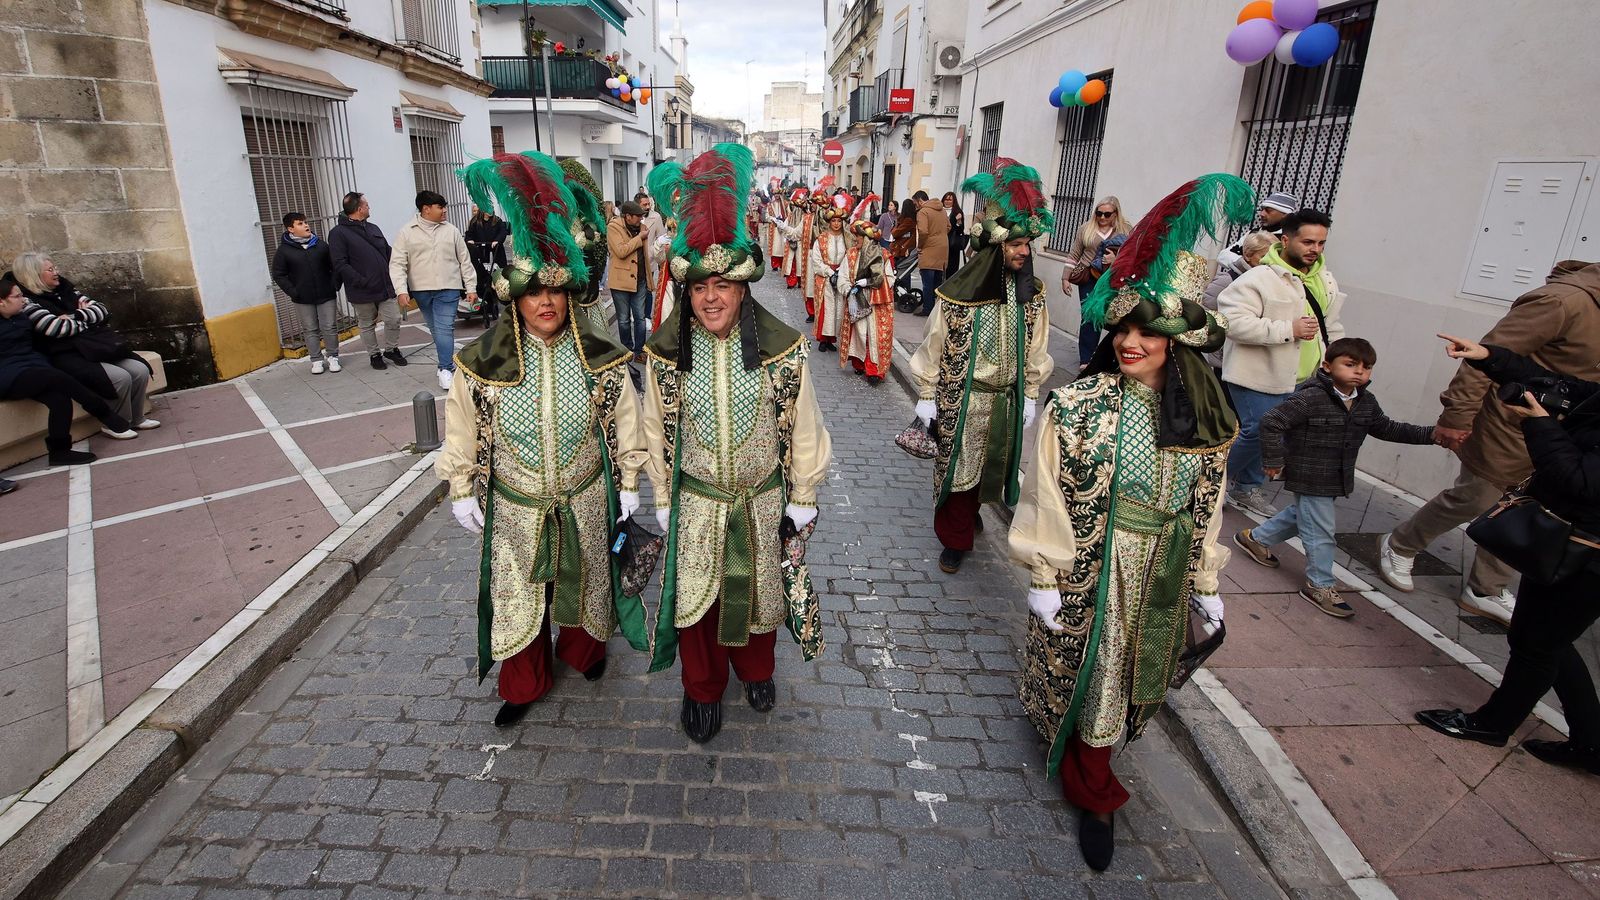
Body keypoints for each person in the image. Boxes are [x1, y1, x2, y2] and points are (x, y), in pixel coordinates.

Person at [1010, 174, 1251, 872]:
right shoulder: (1079, 405)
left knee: (1135, 676)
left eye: (1148, 333)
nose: (1131, 343)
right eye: (1123, 329)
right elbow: (1046, 493)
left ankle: (1096, 764)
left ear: (1177, 341)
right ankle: (1095, 791)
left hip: (1165, 567)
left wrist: (1206, 577)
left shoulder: (1206, 415)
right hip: (1100, 559)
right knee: (1100, 673)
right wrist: (1046, 570)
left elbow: (1208, 500)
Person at [441, 151, 649, 728]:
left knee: (587, 580)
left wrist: (629, 479)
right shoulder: (482, 361)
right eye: (534, 295)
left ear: (568, 295)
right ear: (516, 298)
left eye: (555, 294)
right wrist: (461, 485)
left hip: (584, 490)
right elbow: (461, 422)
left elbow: (625, 417)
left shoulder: (599, 353)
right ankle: (524, 681)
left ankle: (584, 653)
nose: (546, 304)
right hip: (516, 500)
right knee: (519, 594)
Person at [640, 142, 832, 745]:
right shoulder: (664, 356)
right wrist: (661, 496)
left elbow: (805, 425)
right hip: (696, 496)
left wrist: (803, 492)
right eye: (701, 287)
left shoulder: (784, 349)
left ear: (744, 288)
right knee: (697, 601)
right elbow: (652, 427)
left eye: (724, 285)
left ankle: (757, 671)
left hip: (761, 496)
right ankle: (702, 689)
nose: (712, 297)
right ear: (686, 291)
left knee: (759, 593)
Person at [1416, 333, 1600, 774]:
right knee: (1548, 641)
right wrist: (1489, 358)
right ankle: (1592, 744)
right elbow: (1561, 386)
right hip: (1570, 544)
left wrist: (1539, 423)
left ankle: (1493, 724)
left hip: (1585, 555)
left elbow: (1582, 482)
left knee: (1536, 644)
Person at [1378, 259, 1600, 625]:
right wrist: (1456, 415)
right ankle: (1399, 544)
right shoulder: (1562, 302)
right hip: (1508, 422)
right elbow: (1484, 356)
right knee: (1477, 495)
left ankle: (1486, 588)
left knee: (1531, 507)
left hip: (1559, 432)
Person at [911, 159, 1054, 574]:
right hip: (965, 397)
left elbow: (1038, 348)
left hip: (1005, 400)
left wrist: (1030, 393)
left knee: (992, 468)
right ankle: (953, 539)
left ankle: (970, 516)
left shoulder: (1034, 296)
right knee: (958, 469)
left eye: (1027, 246)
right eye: (1016, 245)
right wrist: (925, 394)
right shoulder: (960, 295)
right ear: (997, 247)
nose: (1024, 253)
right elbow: (934, 344)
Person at [1234, 338, 1437, 617]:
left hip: (1336, 476)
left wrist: (1433, 435)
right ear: (1328, 366)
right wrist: (1273, 459)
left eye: (1366, 368)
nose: (1358, 372)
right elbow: (1272, 420)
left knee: (1302, 515)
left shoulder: (1365, 402)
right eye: (1350, 365)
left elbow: (1388, 428)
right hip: (1308, 473)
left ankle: (1255, 538)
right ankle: (1320, 585)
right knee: (1321, 532)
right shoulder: (1311, 397)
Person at [1218, 208, 1344, 518]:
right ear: (1286, 240)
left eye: (1321, 243)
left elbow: (1331, 325)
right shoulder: (1259, 277)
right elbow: (1231, 322)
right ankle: (1210, 485)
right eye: (1307, 242)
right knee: (1259, 431)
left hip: (1303, 378)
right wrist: (1289, 330)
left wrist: (1338, 358)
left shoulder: (1324, 280)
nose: (1314, 249)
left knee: (1277, 436)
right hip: (1256, 375)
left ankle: (1247, 488)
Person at [9, 252, 156, 432]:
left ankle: (136, 418)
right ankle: (118, 423)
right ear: (34, 275)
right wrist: (88, 320)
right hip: (65, 354)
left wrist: (74, 316)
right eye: (50, 269)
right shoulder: (26, 301)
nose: (56, 272)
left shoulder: (66, 290)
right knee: (120, 377)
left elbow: (102, 311)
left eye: (55, 268)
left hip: (93, 346)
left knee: (139, 369)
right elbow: (54, 328)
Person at [0, 275, 135, 465]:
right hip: (8, 377)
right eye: (17, 297)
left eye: (22, 295)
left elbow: (54, 329)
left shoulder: (23, 317)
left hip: (33, 368)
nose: (23, 300)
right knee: (55, 377)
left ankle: (59, 452)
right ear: (1, 302)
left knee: (60, 399)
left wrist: (77, 315)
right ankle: (104, 413)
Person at [390, 190, 476, 391]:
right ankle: (445, 366)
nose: (445, 210)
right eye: (440, 207)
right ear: (426, 209)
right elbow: (397, 263)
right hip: (422, 290)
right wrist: (401, 290)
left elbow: (465, 260)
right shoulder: (406, 232)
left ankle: (445, 368)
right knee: (437, 330)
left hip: (449, 288)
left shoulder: (451, 231)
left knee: (445, 328)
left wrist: (471, 287)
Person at [329, 192, 407, 370]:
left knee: (393, 318)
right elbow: (340, 263)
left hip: (385, 286)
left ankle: (391, 349)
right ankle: (374, 355)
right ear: (359, 209)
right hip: (361, 289)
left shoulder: (373, 228)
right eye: (367, 205)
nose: (369, 208)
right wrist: (361, 280)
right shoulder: (338, 233)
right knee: (366, 324)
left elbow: (388, 252)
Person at [1061, 197, 1133, 370]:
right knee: (1090, 317)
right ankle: (1086, 359)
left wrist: (1116, 260)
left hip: (1112, 280)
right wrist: (1065, 278)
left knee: (1114, 317)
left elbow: (1132, 256)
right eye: (1099, 213)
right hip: (1089, 278)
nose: (1102, 217)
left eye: (1107, 214)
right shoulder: (1086, 229)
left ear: (1116, 214)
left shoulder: (1126, 230)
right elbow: (1074, 254)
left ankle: (1111, 356)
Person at [271, 212, 342, 374]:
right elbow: (279, 274)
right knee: (310, 329)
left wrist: (334, 285)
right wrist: (293, 291)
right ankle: (316, 360)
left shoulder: (321, 245)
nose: (306, 226)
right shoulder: (284, 251)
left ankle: (333, 356)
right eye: (300, 224)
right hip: (302, 298)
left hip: (326, 294)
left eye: (305, 222)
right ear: (291, 229)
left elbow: (335, 267)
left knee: (329, 326)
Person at [1201, 230, 1275, 370]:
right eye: (1264, 256)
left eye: (1274, 257)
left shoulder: (1267, 281)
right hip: (1226, 359)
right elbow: (1208, 312)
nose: (1269, 262)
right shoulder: (1227, 280)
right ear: (1248, 255)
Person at [838, 197, 894, 383]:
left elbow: (890, 279)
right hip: (857, 300)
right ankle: (859, 364)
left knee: (875, 337)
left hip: (877, 304)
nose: (856, 240)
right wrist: (850, 289)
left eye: (859, 237)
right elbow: (843, 277)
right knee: (860, 335)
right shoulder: (851, 254)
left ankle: (874, 371)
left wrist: (870, 284)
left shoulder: (884, 256)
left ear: (868, 239)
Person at [558, 159, 611, 334]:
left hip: (586, 272)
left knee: (590, 315)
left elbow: (594, 231)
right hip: (564, 272)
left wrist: (589, 231)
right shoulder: (555, 218)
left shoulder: (582, 215)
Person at [606, 201, 651, 359]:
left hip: (640, 281)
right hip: (621, 282)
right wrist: (639, 238)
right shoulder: (613, 227)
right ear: (627, 216)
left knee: (640, 318)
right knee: (624, 320)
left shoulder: (642, 229)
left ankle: (639, 351)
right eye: (638, 216)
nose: (640, 219)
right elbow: (621, 251)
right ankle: (626, 350)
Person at [809, 193, 852, 353]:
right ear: (829, 222)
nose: (836, 224)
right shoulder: (821, 239)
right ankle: (823, 338)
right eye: (833, 220)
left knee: (839, 309)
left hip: (842, 276)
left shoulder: (848, 239)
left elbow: (850, 257)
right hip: (825, 278)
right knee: (826, 308)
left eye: (839, 221)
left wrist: (841, 272)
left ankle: (832, 338)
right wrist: (829, 272)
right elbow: (816, 260)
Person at [1215, 191, 1298, 273]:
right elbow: (1223, 256)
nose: (1262, 214)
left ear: (1285, 214)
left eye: (1268, 210)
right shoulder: (1254, 232)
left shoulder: (1289, 239)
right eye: (1261, 210)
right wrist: (1247, 266)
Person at [464, 205, 509, 322]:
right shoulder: (475, 222)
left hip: (495, 251)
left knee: (499, 273)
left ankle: (499, 296)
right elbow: (469, 233)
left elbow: (502, 232)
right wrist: (470, 241)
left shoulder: (497, 221)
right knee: (482, 274)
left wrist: (497, 240)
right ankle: (483, 296)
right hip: (481, 251)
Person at [913, 190, 950, 316]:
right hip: (942, 248)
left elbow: (923, 231)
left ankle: (928, 309)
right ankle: (937, 310)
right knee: (937, 283)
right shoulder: (942, 210)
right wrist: (940, 235)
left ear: (919, 201)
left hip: (929, 249)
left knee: (927, 283)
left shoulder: (923, 212)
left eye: (915, 203)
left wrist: (920, 246)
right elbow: (948, 227)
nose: (915, 206)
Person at [942, 191, 966, 279]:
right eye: (946, 199)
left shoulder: (957, 212)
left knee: (951, 269)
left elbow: (960, 229)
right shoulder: (939, 211)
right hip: (940, 243)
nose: (947, 202)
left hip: (952, 244)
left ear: (954, 201)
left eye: (950, 200)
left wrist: (958, 221)